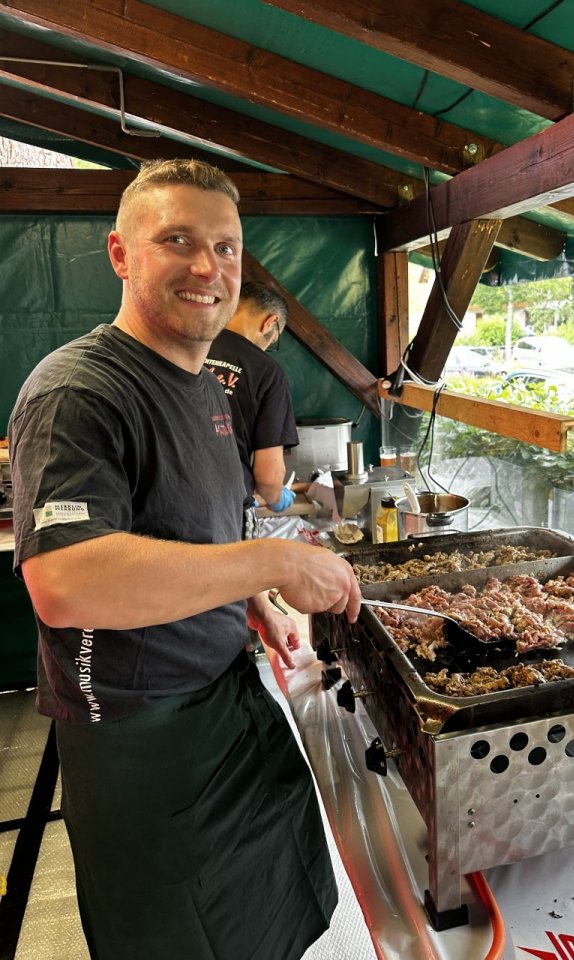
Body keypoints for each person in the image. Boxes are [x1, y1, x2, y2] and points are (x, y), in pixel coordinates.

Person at [9, 158, 361, 960]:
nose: (209, 267)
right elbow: (66, 582)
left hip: (223, 701)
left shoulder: (207, 386)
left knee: (272, 909)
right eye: (177, 240)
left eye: (226, 247)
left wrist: (250, 603)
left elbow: (186, 529)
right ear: (120, 254)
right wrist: (271, 565)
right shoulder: (78, 390)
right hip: (141, 734)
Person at [205, 281, 298, 540]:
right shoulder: (266, 372)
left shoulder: (184, 348)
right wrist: (276, 497)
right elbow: (268, 478)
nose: (267, 347)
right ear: (270, 322)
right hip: (227, 514)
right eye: (273, 341)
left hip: (163, 510)